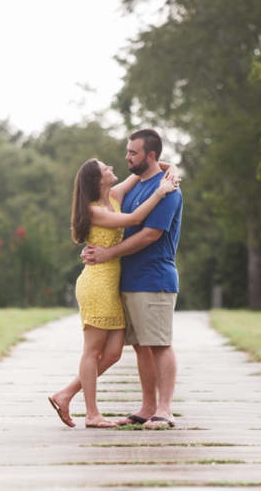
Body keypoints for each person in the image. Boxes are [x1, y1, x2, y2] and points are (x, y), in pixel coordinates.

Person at [48, 156, 178, 427]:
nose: (112, 168)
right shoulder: (95, 209)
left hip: (113, 284)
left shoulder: (114, 195)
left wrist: (172, 172)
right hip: (96, 284)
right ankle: (92, 414)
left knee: (114, 352)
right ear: (97, 180)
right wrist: (160, 192)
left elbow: (158, 165)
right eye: (105, 168)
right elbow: (135, 218)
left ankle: (65, 394)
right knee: (93, 350)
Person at [83, 129, 184, 429]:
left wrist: (108, 253)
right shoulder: (137, 185)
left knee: (160, 344)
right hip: (129, 280)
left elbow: (149, 235)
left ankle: (165, 410)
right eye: (127, 151)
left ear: (150, 156)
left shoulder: (168, 190)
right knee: (141, 346)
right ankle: (147, 406)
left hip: (154, 279)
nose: (126, 157)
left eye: (133, 153)